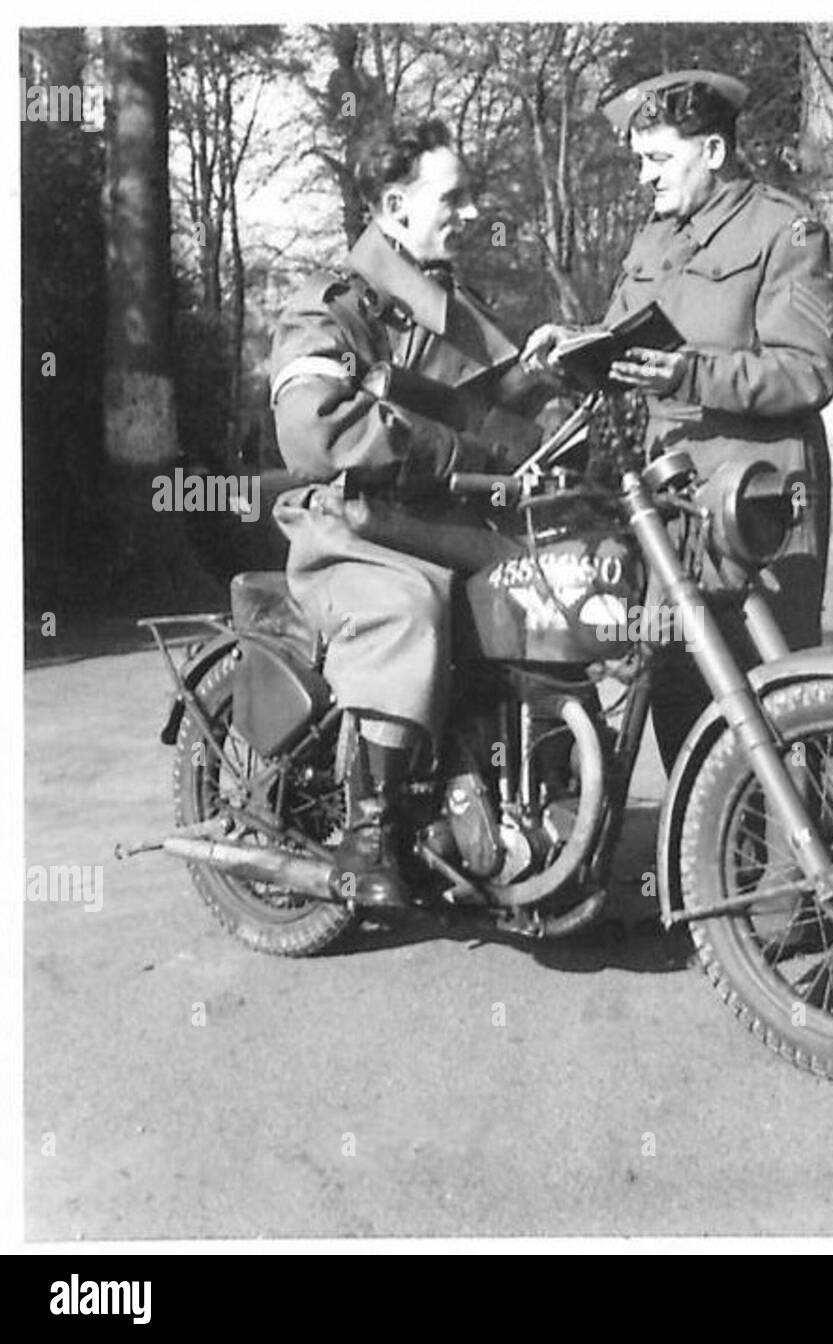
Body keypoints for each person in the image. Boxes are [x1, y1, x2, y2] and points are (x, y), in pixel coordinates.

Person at [523, 70, 833, 770]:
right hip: (667, 505)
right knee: (678, 697)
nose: (644, 177)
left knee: (774, 690)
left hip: (758, 505)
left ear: (715, 151)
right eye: (641, 160)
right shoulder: (653, 240)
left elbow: (809, 371)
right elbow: (624, 339)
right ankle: (708, 866)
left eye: (660, 159)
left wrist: (692, 373)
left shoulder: (787, 231)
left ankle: (803, 870)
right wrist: (571, 345)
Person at [269, 119, 547, 911]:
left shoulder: (454, 310)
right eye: (451, 197)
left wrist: (574, 403)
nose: (467, 212)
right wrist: (448, 453)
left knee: (540, 592)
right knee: (412, 609)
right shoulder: (331, 305)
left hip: (429, 525)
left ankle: (516, 808)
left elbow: (508, 416)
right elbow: (313, 431)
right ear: (396, 205)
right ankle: (370, 834)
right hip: (344, 526)